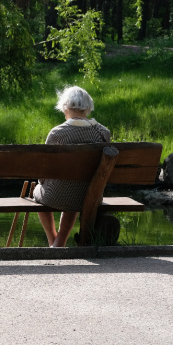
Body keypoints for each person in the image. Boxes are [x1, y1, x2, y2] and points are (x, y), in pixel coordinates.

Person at [33, 86, 111, 247]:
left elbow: (43, 173)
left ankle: (53, 242)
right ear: (88, 108)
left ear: (65, 107)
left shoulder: (57, 133)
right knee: (76, 188)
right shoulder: (104, 133)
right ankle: (59, 241)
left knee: (38, 191)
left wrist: (43, 182)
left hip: (57, 196)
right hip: (91, 196)